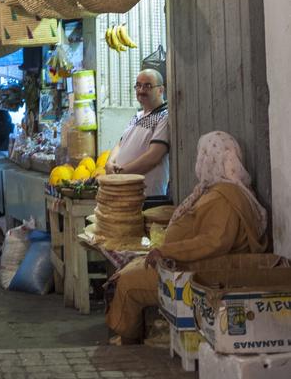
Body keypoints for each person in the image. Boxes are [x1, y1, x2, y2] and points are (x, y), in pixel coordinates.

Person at [106, 131, 268, 342]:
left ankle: (128, 342)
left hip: (198, 272)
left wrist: (166, 250)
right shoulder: (220, 190)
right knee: (129, 269)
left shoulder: (224, 196)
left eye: (201, 155)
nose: (198, 161)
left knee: (127, 284)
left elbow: (214, 241)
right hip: (187, 263)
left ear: (210, 159)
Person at [106, 69, 169, 197]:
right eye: (138, 85)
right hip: (125, 190)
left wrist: (121, 174)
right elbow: (120, 144)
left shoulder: (164, 117)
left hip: (146, 194)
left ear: (161, 90)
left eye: (147, 86)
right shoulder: (138, 115)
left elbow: (153, 157)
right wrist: (110, 163)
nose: (141, 90)